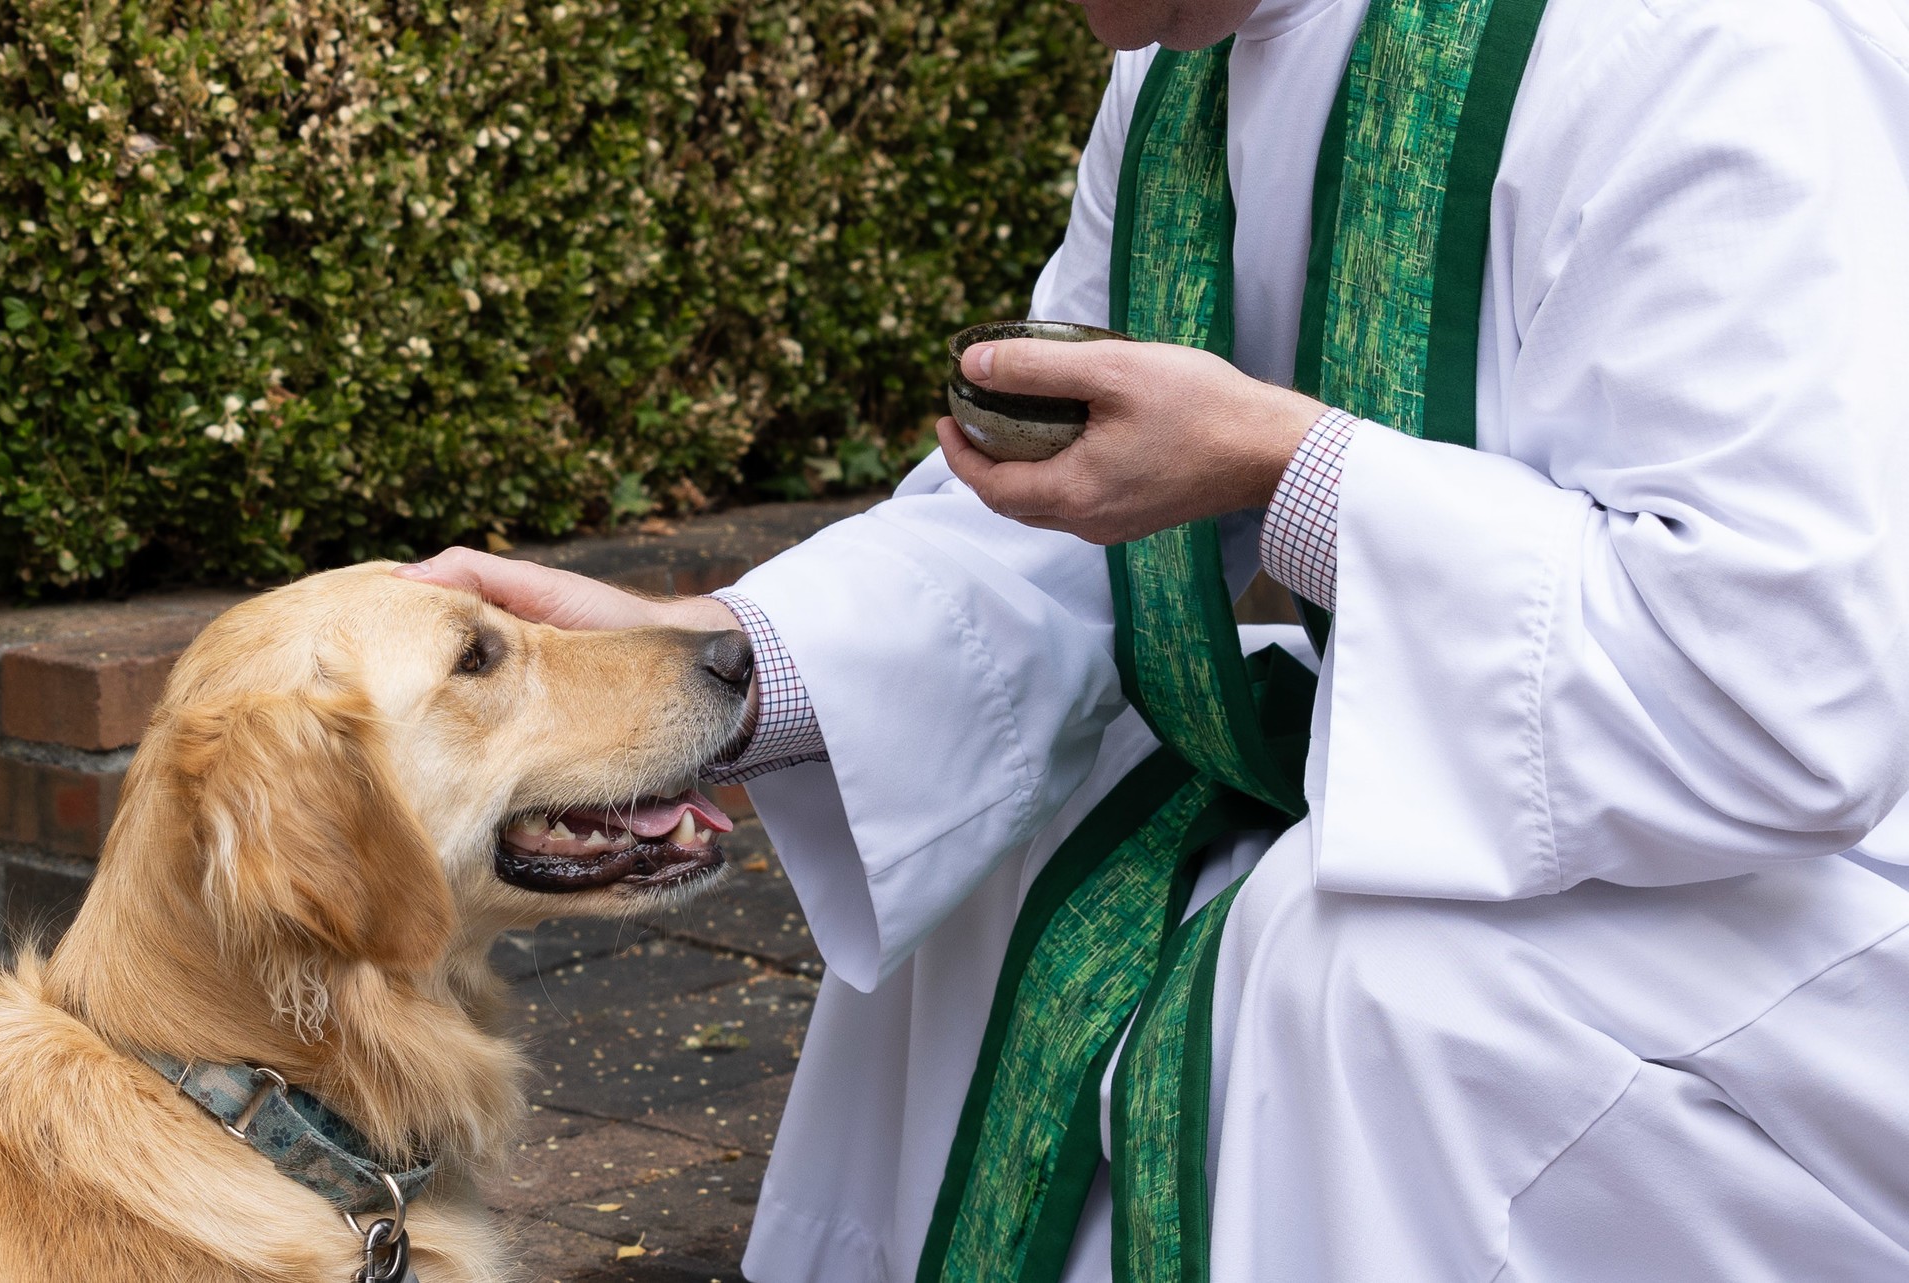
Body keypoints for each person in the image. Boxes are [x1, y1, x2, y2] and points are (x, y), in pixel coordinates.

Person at [398, 0, 1909, 1277]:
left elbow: (1790, 690)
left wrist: (1291, 473)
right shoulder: (1182, 61)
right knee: (1016, 861)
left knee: (1348, 959)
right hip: (1540, 754)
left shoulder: (1719, 44)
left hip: (1820, 877)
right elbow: (1068, 519)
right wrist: (715, 658)